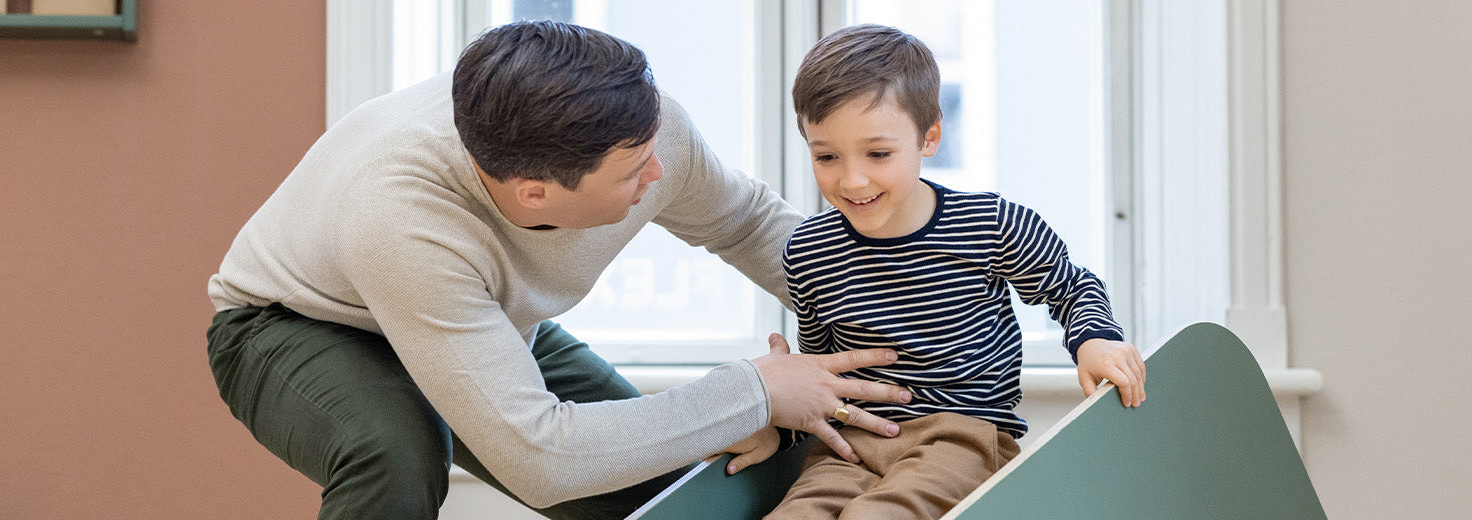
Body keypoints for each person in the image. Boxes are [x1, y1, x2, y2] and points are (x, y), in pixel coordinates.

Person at [204, 21, 915, 520]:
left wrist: (912, 318)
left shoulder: (644, 125)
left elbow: (749, 223)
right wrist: (753, 394)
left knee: (678, 491)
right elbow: (542, 461)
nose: (660, 175)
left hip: (484, 313)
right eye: (635, 172)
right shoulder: (401, 217)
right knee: (396, 449)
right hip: (295, 324)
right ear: (534, 193)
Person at [719, 25, 1150, 520]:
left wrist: (1095, 338)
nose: (851, 179)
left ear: (929, 137)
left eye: (878, 154)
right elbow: (825, 376)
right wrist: (777, 425)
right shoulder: (810, 251)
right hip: (852, 445)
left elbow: (1071, 286)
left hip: (960, 438)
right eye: (826, 156)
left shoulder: (987, 224)